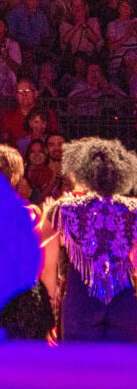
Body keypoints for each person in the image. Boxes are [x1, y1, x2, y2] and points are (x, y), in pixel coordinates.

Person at [40, 138, 137, 342]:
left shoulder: (64, 209)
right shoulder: (133, 211)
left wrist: (48, 311)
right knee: (123, 370)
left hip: (80, 300)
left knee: (80, 369)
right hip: (124, 301)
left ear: (83, 170)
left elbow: (33, 245)